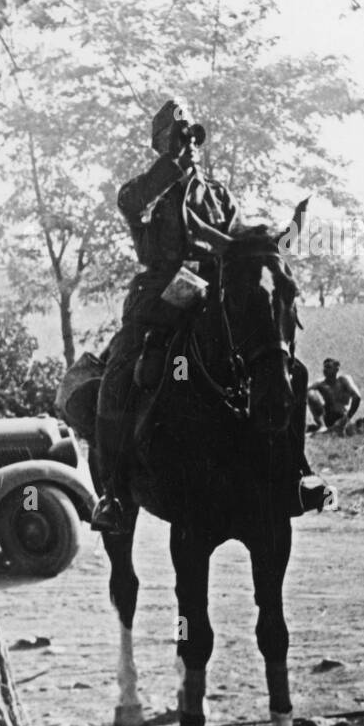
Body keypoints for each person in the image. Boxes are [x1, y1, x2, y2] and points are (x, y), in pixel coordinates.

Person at [91, 100, 238, 534]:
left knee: (273, 362)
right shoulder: (143, 192)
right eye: (179, 137)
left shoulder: (220, 195)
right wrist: (171, 165)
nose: (190, 145)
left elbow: (233, 243)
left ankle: (291, 471)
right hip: (158, 303)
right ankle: (114, 491)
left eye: (193, 136)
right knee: (118, 377)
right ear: (160, 145)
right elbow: (132, 205)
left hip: (212, 302)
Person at [306, 358, 361, 433]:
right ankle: (322, 426)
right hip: (327, 417)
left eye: (328, 367)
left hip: (342, 416)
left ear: (336, 369)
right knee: (310, 393)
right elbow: (304, 390)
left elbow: (357, 396)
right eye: (324, 367)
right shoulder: (321, 383)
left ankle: (340, 425)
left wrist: (347, 418)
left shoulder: (343, 380)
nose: (325, 370)